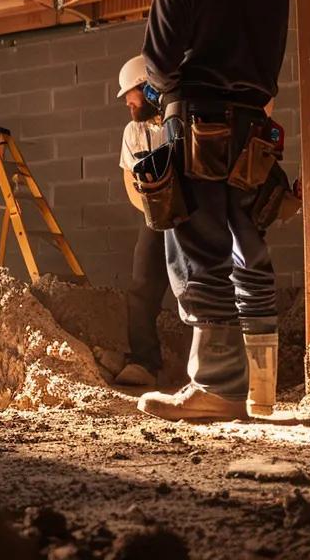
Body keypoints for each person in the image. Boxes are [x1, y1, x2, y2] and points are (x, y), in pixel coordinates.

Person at [136, 0, 289, 421]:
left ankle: (219, 388)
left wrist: (171, 95)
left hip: (197, 123)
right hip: (253, 130)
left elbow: (156, 67)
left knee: (199, 248)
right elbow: (270, 65)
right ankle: (262, 392)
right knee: (250, 244)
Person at [114, 55, 168, 388]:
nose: (128, 103)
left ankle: (210, 369)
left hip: (192, 217)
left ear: (149, 89)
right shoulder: (133, 132)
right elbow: (128, 181)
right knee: (142, 288)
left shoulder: (181, 120)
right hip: (155, 217)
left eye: (130, 95)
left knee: (195, 287)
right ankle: (145, 362)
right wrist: (155, 213)